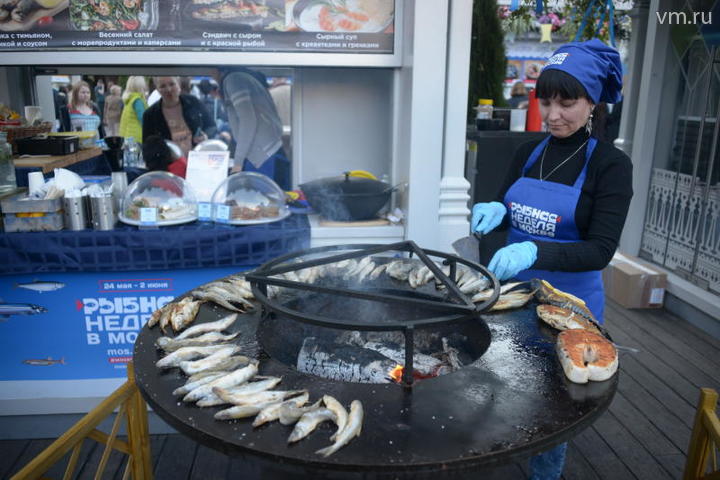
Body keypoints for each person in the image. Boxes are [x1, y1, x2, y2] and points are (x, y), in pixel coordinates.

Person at [470, 38, 632, 480]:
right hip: (512, 297)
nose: (554, 114)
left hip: (568, 308)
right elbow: (505, 207)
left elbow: (600, 250)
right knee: (503, 383)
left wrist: (533, 250)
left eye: (568, 101)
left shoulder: (610, 166)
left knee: (556, 402)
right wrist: (496, 212)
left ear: (593, 103)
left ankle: (545, 473)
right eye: (546, 101)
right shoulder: (530, 152)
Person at [221, 68, 290, 190]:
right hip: (272, 149)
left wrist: (238, 163)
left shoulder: (233, 79)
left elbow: (248, 120)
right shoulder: (288, 90)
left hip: (259, 154)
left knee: (259, 202)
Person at [142, 76, 216, 158]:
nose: (168, 89)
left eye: (172, 84)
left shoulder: (193, 102)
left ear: (178, 84)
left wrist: (206, 136)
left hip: (196, 160)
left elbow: (212, 126)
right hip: (168, 164)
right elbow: (147, 147)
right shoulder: (150, 115)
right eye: (163, 86)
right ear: (157, 89)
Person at [119, 76, 148, 143]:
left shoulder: (128, 100)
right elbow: (144, 120)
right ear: (140, 86)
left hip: (128, 136)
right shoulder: (137, 101)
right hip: (137, 138)